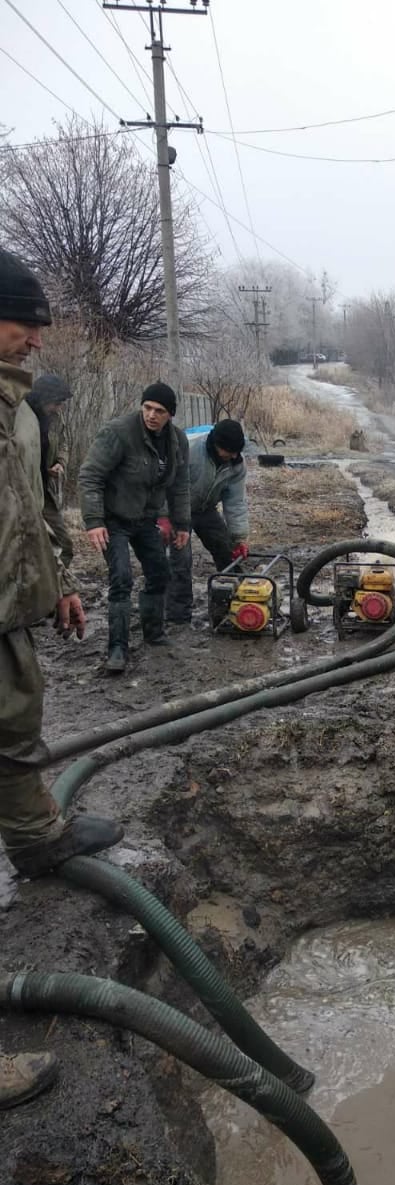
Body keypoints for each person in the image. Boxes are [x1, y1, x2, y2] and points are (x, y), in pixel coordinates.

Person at [0, 248, 122, 1108]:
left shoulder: (20, 412)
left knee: (16, 731)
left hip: (10, 612)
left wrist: (60, 593)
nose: (36, 343)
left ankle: (37, 842)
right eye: (25, 326)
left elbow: (34, 516)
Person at [78, 382, 190, 673]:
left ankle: (153, 633)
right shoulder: (118, 433)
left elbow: (179, 487)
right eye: (147, 408)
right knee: (122, 578)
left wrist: (181, 524)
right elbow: (90, 476)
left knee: (159, 572)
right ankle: (117, 648)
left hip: (145, 519)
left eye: (160, 411)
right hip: (113, 519)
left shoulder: (177, 441)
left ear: (171, 414)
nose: (152, 415)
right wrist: (94, 522)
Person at [166, 419, 249, 623]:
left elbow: (235, 502)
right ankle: (179, 615)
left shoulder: (236, 464)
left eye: (235, 452)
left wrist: (239, 538)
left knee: (225, 549)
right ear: (215, 443)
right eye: (228, 451)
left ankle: (238, 599)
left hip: (206, 509)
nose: (232, 456)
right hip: (176, 510)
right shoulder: (190, 450)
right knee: (181, 560)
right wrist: (165, 518)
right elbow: (167, 486)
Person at [26, 373, 74, 568]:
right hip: (21, 492)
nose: (59, 408)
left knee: (64, 545)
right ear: (43, 399)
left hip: (45, 490)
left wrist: (60, 463)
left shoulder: (56, 418)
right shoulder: (21, 416)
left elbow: (63, 443)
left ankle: (58, 590)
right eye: (57, 403)